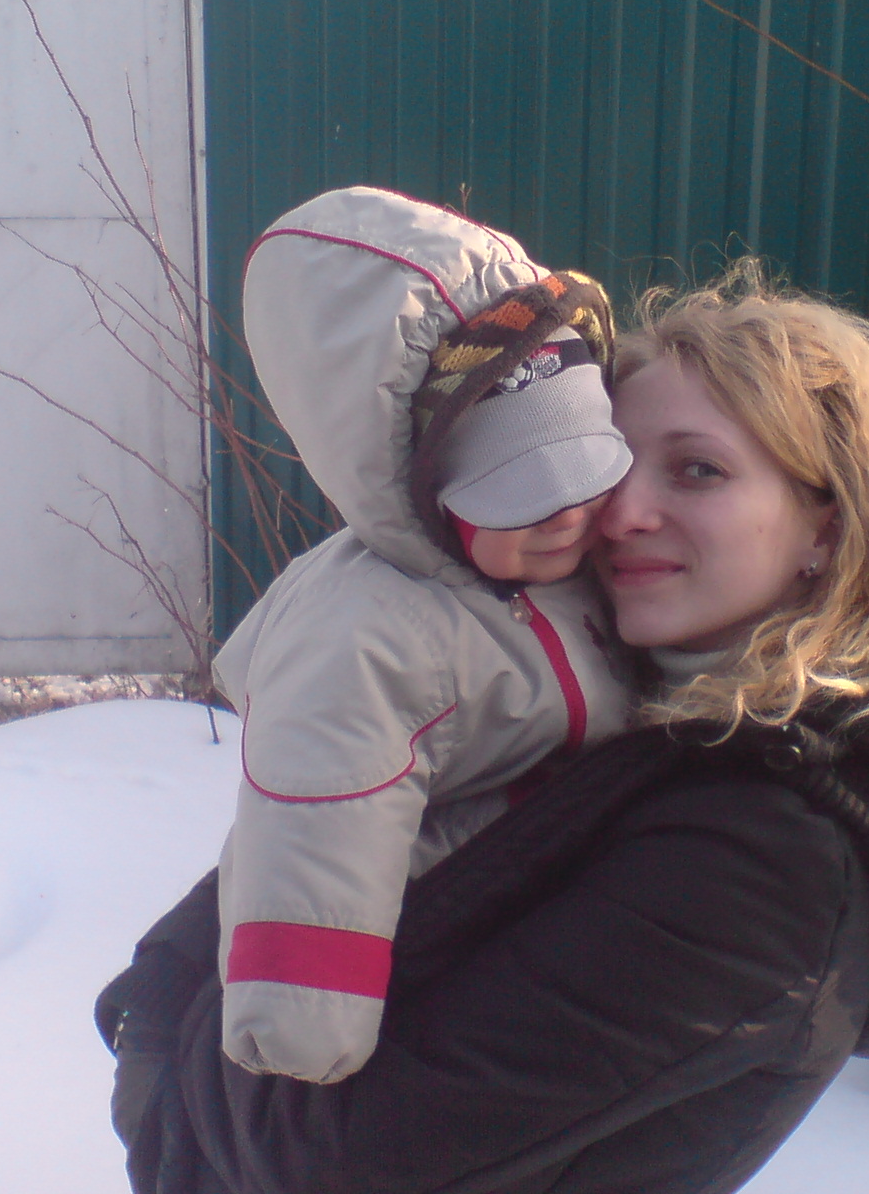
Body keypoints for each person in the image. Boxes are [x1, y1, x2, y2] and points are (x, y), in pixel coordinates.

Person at [98, 261, 869, 1194]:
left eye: (696, 471)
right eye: (610, 461)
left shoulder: (765, 855)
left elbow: (317, 1159)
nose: (619, 513)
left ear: (828, 523)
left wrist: (164, 1028)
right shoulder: (634, 724)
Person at [190, 186, 639, 1090]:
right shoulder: (364, 637)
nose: (565, 515)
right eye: (515, 495)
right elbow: (317, 813)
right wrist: (303, 1028)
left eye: (583, 468)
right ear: (415, 491)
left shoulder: (579, 569)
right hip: (410, 939)